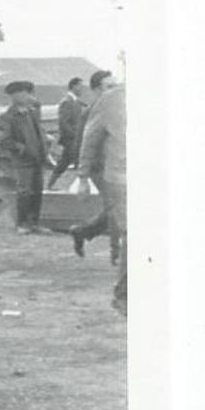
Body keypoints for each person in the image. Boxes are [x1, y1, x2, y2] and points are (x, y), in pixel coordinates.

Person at [78, 78, 127, 314]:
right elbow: (90, 139)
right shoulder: (112, 99)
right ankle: (124, 295)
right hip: (121, 176)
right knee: (133, 232)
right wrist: (83, 177)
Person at [0, 79, 49, 234]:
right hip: (23, 160)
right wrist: (23, 149)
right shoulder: (7, 117)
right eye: (23, 93)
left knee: (37, 191)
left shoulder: (31, 112)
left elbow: (38, 106)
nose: (27, 96)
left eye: (28, 93)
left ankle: (34, 222)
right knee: (24, 191)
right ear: (14, 96)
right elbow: (5, 140)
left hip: (38, 158)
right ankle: (22, 223)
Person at [47, 77, 88, 190]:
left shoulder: (76, 102)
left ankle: (52, 184)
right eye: (80, 86)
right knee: (65, 162)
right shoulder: (67, 102)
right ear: (74, 86)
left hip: (76, 138)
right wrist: (74, 135)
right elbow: (63, 122)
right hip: (71, 139)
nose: (82, 89)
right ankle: (50, 185)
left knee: (75, 162)